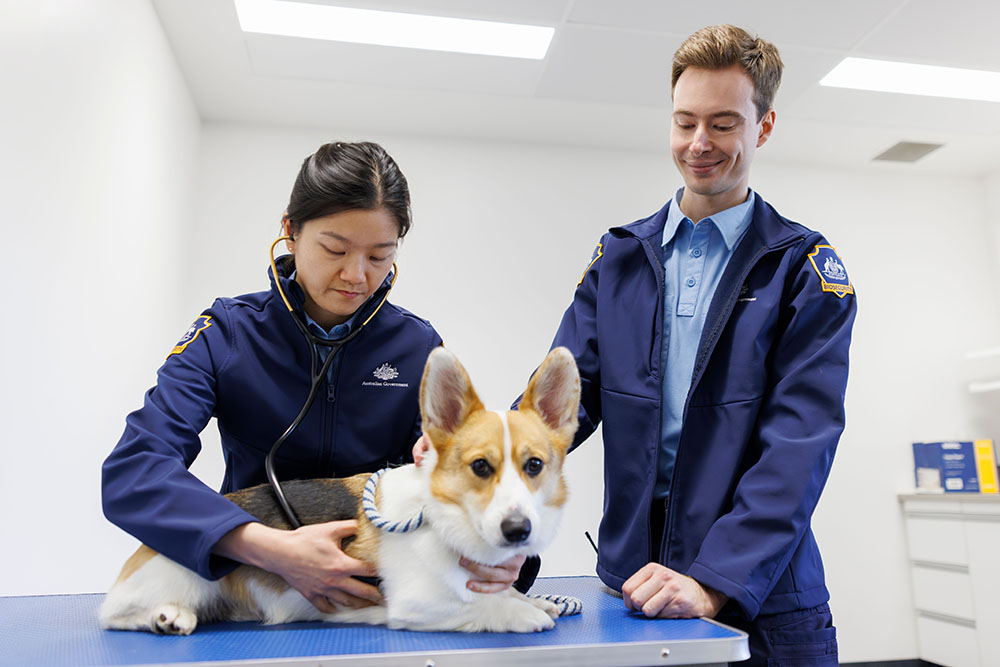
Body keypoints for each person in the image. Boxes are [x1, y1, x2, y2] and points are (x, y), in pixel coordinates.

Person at [540, 25, 855, 665]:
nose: (699, 144)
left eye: (723, 123)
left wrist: (713, 581)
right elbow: (562, 401)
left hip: (759, 600)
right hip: (637, 584)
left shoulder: (802, 268)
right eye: (685, 123)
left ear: (763, 127)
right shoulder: (622, 257)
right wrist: (477, 451)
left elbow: (799, 445)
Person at [102, 141, 526, 614]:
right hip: (249, 586)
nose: (356, 275)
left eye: (379, 256)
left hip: (373, 598)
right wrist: (265, 547)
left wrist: (503, 553)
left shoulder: (418, 348)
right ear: (290, 231)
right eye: (335, 249)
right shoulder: (226, 334)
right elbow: (134, 472)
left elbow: (459, 483)